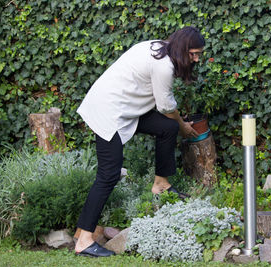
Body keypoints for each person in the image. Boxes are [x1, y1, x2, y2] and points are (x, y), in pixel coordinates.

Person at [74, 26, 205, 257]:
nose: (196, 59)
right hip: (108, 111)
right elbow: (165, 106)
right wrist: (184, 127)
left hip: (125, 108)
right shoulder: (163, 66)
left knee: (167, 127)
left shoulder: (157, 47)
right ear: (183, 49)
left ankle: (161, 184)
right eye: (193, 53)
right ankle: (84, 240)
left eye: (199, 54)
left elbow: (163, 109)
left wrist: (177, 125)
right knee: (109, 174)